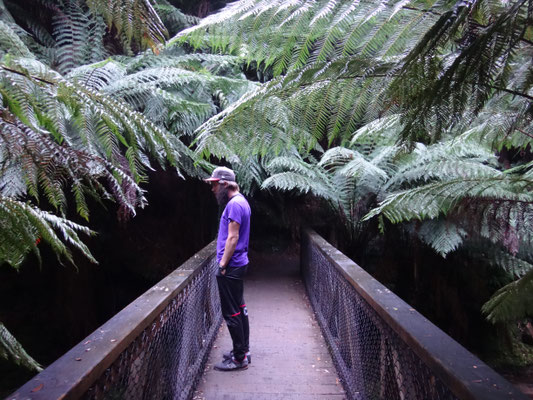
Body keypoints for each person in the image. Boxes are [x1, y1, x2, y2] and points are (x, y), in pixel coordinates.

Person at [205, 166, 251, 371]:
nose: (212, 189)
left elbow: (232, 237)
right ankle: (243, 351)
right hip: (239, 264)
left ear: (224, 184)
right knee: (240, 308)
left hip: (231, 266)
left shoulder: (233, 205)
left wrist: (222, 264)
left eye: (214, 185)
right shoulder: (242, 201)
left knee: (231, 312)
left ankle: (239, 358)